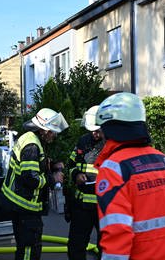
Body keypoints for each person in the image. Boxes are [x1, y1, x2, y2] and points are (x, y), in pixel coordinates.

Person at [94, 92, 165, 260]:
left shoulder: (113, 168)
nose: (100, 135)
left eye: (102, 130)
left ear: (110, 129)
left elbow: (116, 234)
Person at [0, 108, 68, 260]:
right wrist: (53, 179)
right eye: (52, 131)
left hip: (19, 205)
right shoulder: (32, 146)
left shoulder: (32, 139)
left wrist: (53, 165)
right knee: (30, 249)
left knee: (23, 247)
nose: (54, 135)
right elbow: (30, 179)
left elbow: (36, 165)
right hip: (25, 207)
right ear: (44, 130)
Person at [65, 105, 104, 260]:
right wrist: (76, 174)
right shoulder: (83, 141)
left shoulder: (112, 145)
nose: (94, 133)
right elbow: (70, 163)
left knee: (107, 247)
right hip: (82, 206)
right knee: (76, 246)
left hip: (104, 207)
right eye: (92, 130)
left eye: (98, 130)